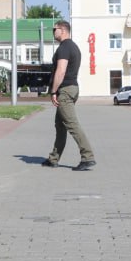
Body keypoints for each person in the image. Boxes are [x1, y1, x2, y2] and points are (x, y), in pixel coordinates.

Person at [42, 20, 96, 170]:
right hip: (70, 88)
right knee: (60, 126)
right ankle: (53, 158)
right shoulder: (73, 47)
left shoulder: (65, 47)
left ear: (63, 30)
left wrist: (53, 91)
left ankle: (87, 157)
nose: (53, 32)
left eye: (55, 30)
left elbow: (61, 70)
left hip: (65, 90)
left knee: (72, 125)